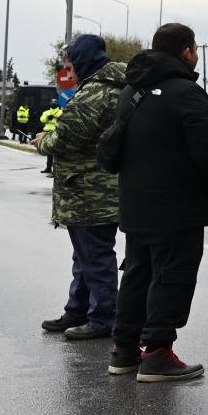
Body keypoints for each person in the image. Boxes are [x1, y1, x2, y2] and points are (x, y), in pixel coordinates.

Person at [109, 23, 208, 383]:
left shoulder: (132, 90)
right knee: (172, 276)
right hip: (177, 206)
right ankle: (158, 353)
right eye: (196, 49)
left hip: (136, 204)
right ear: (187, 51)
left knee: (137, 273)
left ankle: (124, 350)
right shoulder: (187, 93)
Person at [35, 34, 124, 344]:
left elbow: (65, 138)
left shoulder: (94, 95)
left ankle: (102, 318)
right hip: (101, 189)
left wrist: (42, 141)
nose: (67, 72)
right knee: (85, 256)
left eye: (70, 65)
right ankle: (78, 310)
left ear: (83, 62)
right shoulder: (114, 89)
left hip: (90, 191)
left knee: (95, 256)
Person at [38, 103, 62, 174]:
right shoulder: (46, 112)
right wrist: (48, 118)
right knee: (49, 151)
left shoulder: (60, 112)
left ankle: (54, 170)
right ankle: (48, 168)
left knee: (54, 151)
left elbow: (63, 118)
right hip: (48, 132)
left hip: (56, 132)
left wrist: (55, 117)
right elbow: (42, 120)